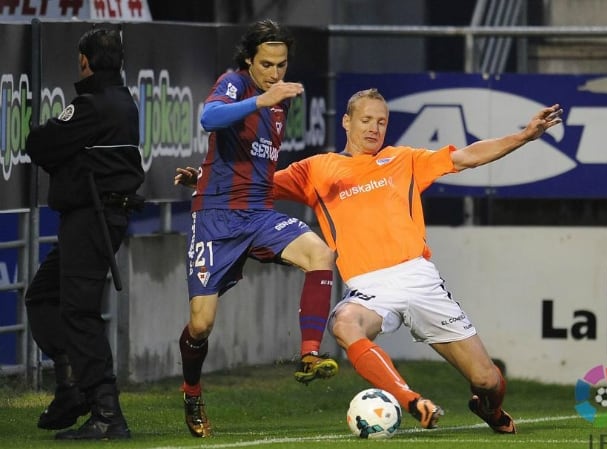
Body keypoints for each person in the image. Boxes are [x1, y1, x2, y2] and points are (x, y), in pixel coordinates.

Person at [175, 89, 562, 432]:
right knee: (344, 325)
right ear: (347, 122)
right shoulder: (316, 168)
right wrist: (205, 182)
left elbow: (468, 157)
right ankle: (410, 400)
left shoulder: (404, 159)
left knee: (488, 379)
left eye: (381, 122)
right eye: (366, 120)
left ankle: (489, 410)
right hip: (368, 286)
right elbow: (255, 186)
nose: (374, 129)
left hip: (420, 280)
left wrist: (525, 135)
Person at [176, 19, 337, 438]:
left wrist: (203, 171)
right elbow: (210, 118)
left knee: (320, 253)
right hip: (215, 217)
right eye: (267, 63)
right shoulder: (237, 84)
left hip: (259, 214)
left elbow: (249, 163)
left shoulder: (278, 102)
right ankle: (192, 391)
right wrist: (262, 100)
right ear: (249, 59)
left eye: (282, 65)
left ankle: (309, 354)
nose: (275, 72)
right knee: (200, 325)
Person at [24, 27, 145, 440]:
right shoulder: (124, 102)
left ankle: (106, 412)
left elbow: (39, 144)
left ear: (84, 61)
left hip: (91, 218)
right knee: (43, 296)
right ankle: (72, 385)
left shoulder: (91, 105)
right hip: (98, 218)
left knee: (78, 312)